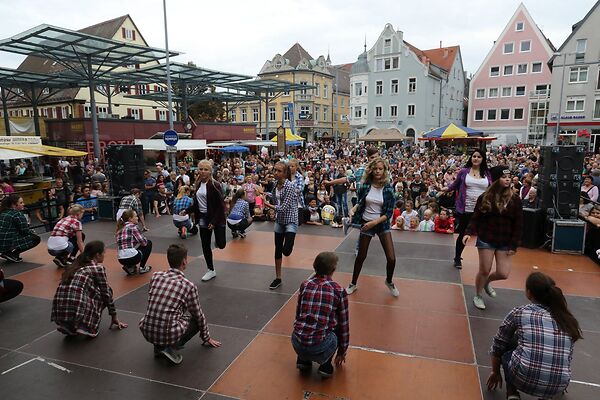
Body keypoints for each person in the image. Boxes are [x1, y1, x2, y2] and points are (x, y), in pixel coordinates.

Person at [487, 272, 582, 400]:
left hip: (522, 379)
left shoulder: (519, 312)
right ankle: (546, 396)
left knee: (509, 341)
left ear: (529, 293)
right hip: (558, 386)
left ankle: (512, 393)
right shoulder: (566, 319)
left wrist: (495, 371)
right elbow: (567, 357)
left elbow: (498, 344)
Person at [139, 244, 221, 365]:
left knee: (164, 313)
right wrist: (206, 337)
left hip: (147, 330)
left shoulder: (156, 276)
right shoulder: (188, 286)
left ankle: (158, 346)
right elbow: (198, 315)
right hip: (167, 333)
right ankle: (171, 348)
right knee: (196, 320)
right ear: (184, 262)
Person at [463, 166, 523, 310]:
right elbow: (475, 217)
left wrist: (514, 244)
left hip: (505, 240)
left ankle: (487, 282)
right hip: (487, 238)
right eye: (504, 177)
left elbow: (519, 224)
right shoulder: (484, 197)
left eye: (509, 176)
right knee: (484, 269)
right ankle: (478, 295)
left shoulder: (515, 200)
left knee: (503, 273)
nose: (508, 179)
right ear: (496, 179)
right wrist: (468, 232)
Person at [51, 240, 128, 337]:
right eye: (104, 253)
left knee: (83, 290)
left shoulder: (74, 265)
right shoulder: (97, 269)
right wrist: (114, 316)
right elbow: (106, 294)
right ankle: (86, 326)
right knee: (107, 291)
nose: (104, 255)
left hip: (59, 309)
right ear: (97, 255)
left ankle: (68, 325)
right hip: (76, 306)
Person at [346, 157, 398, 297]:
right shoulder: (365, 186)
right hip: (366, 221)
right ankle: (353, 283)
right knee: (361, 256)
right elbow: (361, 202)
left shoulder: (388, 188)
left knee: (391, 258)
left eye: (380, 169)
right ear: (371, 170)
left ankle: (389, 281)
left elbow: (388, 213)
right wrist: (354, 209)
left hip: (381, 224)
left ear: (385, 171)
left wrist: (374, 223)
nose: (377, 171)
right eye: (375, 169)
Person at [292, 252, 348, 378]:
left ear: (314, 266)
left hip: (297, 342)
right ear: (333, 270)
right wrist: (342, 351)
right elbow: (344, 324)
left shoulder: (305, 285)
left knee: (306, 319)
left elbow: (298, 313)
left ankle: (303, 359)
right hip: (319, 346)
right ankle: (325, 365)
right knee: (337, 326)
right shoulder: (338, 290)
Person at [444, 149, 491, 269]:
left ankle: (486, 261)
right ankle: (457, 257)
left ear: (482, 159)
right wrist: (444, 189)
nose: (476, 158)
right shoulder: (464, 171)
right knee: (464, 233)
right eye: (474, 156)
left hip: (483, 209)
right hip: (467, 208)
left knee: (485, 234)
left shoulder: (486, 173)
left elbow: (491, 188)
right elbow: (454, 185)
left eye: (479, 157)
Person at [186, 159, 226, 282]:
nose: (203, 171)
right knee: (205, 244)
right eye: (201, 169)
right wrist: (187, 211)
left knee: (221, 244)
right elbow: (197, 203)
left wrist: (213, 222)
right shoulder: (198, 184)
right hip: (203, 217)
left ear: (210, 171)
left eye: (206, 169)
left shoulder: (215, 185)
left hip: (216, 217)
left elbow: (221, 206)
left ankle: (218, 241)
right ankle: (210, 270)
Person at [263, 161, 298, 290]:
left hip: (290, 220)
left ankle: (289, 243)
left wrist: (268, 205)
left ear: (285, 173)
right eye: (275, 170)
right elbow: (274, 198)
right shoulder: (274, 185)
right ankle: (278, 278)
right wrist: (263, 194)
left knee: (286, 251)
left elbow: (283, 207)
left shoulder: (289, 186)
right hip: (279, 220)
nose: (276, 173)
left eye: (279, 171)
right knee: (278, 249)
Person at [0, 194, 41, 263]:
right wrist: (32, 232)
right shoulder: (18, 214)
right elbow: (25, 231)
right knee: (36, 238)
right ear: (14, 205)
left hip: (2, 241)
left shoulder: (3, 212)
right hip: (7, 242)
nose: (23, 204)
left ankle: (8, 252)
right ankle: (12, 254)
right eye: (21, 203)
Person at [116, 209, 153, 276]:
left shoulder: (120, 228)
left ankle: (130, 267)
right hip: (132, 257)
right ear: (130, 219)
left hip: (121, 259)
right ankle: (142, 268)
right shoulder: (133, 227)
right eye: (135, 216)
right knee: (148, 243)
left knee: (132, 249)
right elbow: (144, 242)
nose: (137, 218)